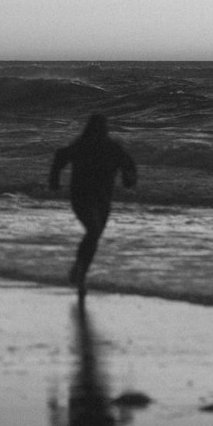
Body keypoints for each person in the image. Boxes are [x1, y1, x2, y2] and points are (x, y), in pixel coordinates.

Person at [49, 113, 137, 300]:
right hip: (81, 197)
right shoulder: (82, 146)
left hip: (103, 199)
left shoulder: (112, 148)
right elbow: (60, 156)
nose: (98, 132)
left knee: (94, 234)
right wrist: (54, 180)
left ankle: (80, 270)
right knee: (94, 231)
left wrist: (128, 179)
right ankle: (80, 274)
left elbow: (129, 166)